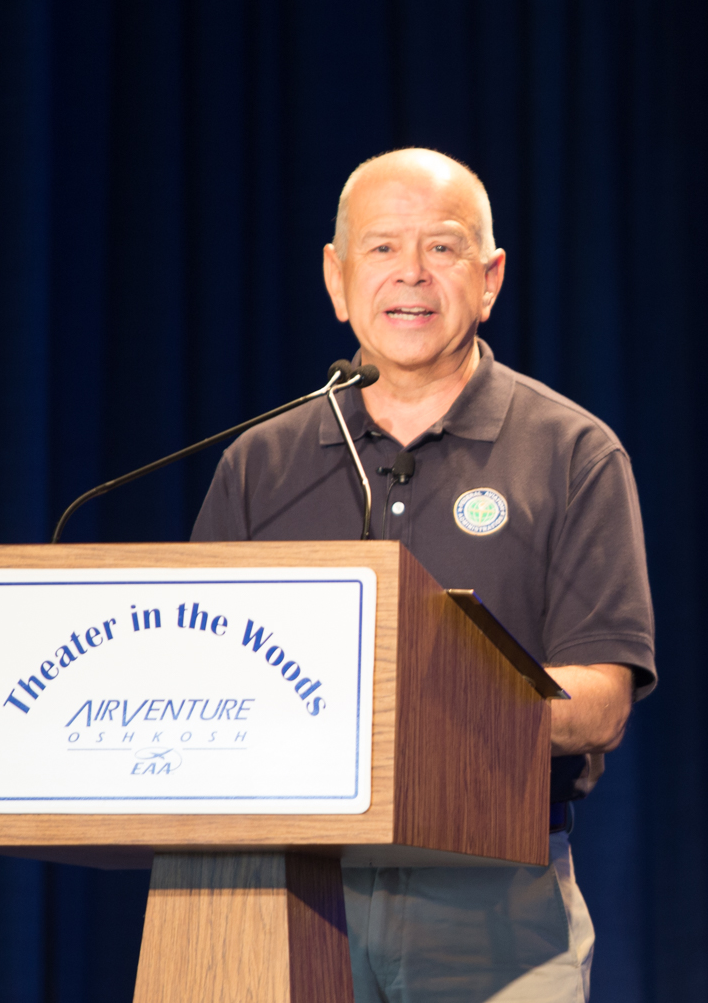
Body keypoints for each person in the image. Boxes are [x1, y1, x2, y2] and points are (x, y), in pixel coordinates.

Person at [191, 148, 656, 1003]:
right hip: (282, 893)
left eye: (442, 249)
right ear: (335, 278)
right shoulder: (260, 464)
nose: (410, 273)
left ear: (490, 278)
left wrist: (442, 708)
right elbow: (199, 682)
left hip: (492, 898)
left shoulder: (572, 453)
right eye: (381, 249)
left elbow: (601, 702)